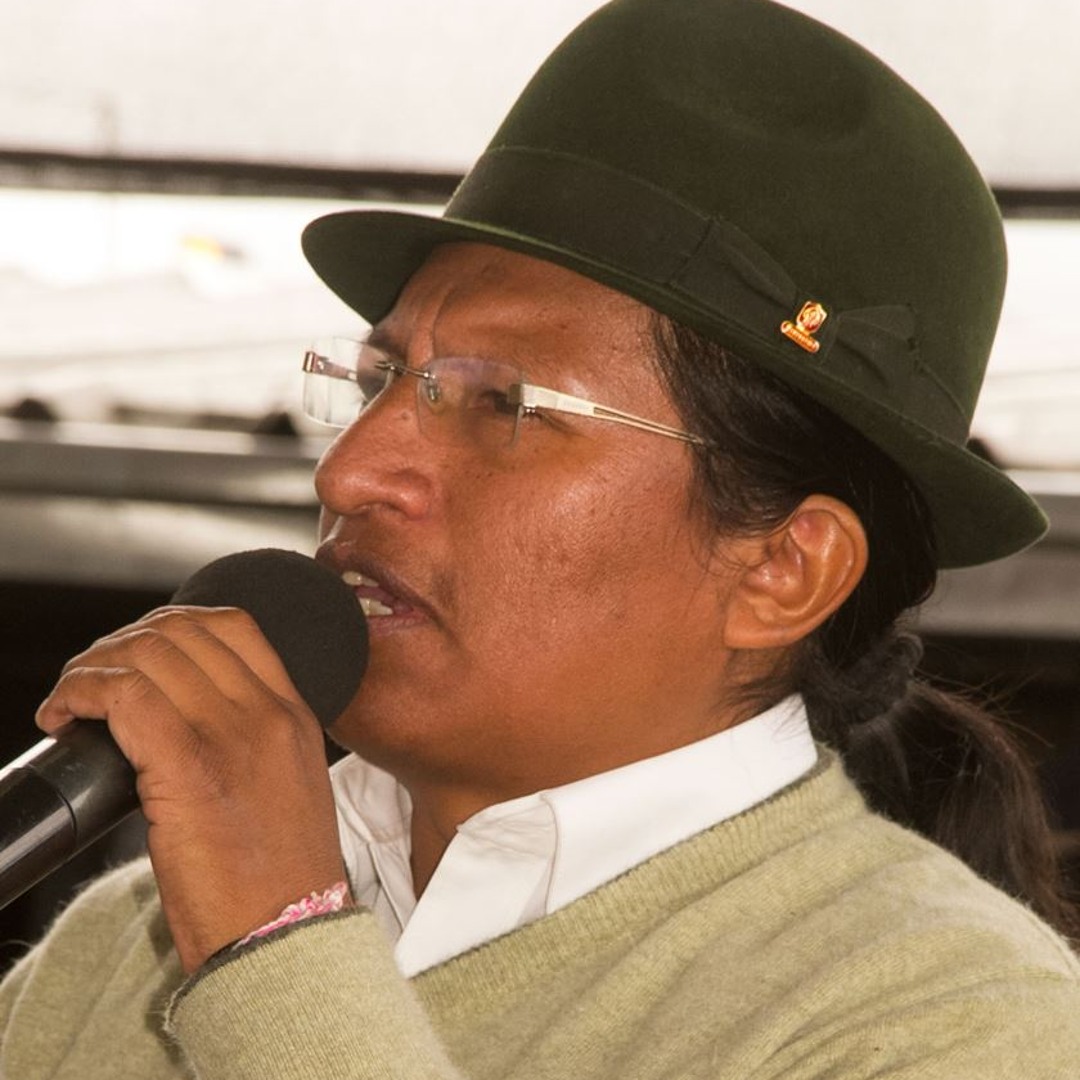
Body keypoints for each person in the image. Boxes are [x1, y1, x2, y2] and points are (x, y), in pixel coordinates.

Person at [2, 0, 1079, 1076]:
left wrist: (274, 951)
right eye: (380, 382)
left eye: (501, 404)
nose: (349, 472)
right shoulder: (118, 955)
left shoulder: (966, 1027)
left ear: (782, 570)